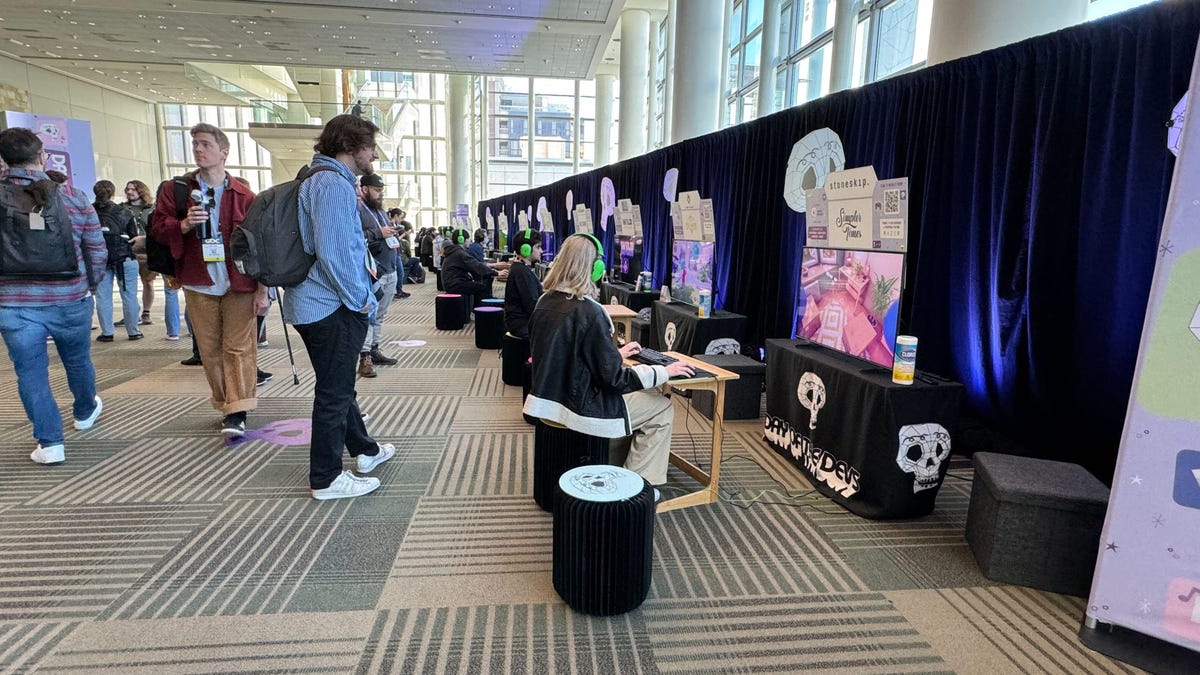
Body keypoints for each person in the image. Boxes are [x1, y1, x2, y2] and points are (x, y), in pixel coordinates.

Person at [283, 114, 395, 500]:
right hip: (329, 305)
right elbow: (335, 253)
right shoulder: (330, 184)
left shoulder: (327, 180)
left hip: (319, 302)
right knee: (333, 392)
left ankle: (365, 451)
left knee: (339, 387)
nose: (375, 155)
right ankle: (326, 478)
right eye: (370, 147)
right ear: (350, 145)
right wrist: (362, 299)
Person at [523, 234, 693, 487]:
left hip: (550, 399)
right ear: (594, 268)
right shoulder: (590, 311)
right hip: (580, 408)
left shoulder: (544, 301)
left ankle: (614, 466)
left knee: (640, 401)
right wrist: (663, 370)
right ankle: (636, 485)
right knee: (661, 407)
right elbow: (615, 380)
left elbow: (566, 353)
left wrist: (615, 355)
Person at [150, 122, 266, 438]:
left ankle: (237, 410)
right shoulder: (175, 191)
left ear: (223, 152)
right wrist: (185, 224)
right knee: (210, 348)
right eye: (196, 145)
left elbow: (260, 247)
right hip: (197, 280)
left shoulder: (244, 195)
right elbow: (158, 231)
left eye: (205, 144)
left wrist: (263, 289)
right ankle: (224, 402)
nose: (199, 150)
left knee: (238, 347)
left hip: (238, 282)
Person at [0, 127, 107, 464]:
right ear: (42, 155)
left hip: (13, 303)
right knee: (77, 360)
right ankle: (85, 410)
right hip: (69, 297)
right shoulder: (73, 197)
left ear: (3, 160)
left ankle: (50, 444)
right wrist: (89, 286)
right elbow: (96, 250)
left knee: (30, 372)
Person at [357, 172, 400, 378]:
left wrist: (391, 231)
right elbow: (354, 238)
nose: (380, 194)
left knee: (380, 315)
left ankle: (374, 349)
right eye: (376, 190)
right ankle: (364, 357)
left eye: (382, 190)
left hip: (389, 268)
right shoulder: (357, 209)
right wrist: (378, 233)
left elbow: (384, 233)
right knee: (369, 314)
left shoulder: (380, 210)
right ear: (364, 189)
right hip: (373, 271)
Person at [124, 179, 180, 335]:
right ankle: (176, 331)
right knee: (170, 291)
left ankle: (172, 330)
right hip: (145, 252)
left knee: (166, 289)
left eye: (133, 189)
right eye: (128, 189)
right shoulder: (124, 208)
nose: (130, 192)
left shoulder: (154, 212)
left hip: (155, 252)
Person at [92, 180, 143, 342]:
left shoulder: (89, 212)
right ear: (113, 193)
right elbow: (135, 237)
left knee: (103, 297)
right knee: (129, 295)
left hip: (100, 259)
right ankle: (133, 331)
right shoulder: (124, 212)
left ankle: (107, 332)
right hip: (124, 257)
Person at [441, 227, 505, 300]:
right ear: (461, 240)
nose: (470, 241)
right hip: (454, 285)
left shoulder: (454, 251)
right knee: (482, 288)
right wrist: (496, 273)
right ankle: (485, 308)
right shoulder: (460, 253)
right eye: (468, 239)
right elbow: (476, 265)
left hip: (451, 283)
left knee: (477, 286)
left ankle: (478, 307)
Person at [503, 228, 542, 340]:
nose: (541, 251)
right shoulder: (522, 272)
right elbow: (532, 305)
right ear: (526, 249)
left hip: (520, 321)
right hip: (522, 325)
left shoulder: (521, 268)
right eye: (538, 247)